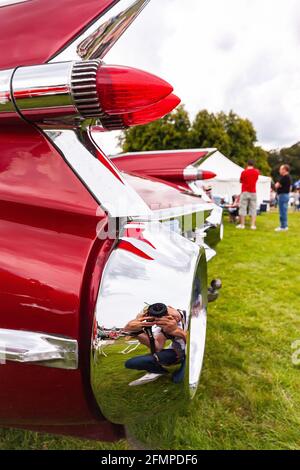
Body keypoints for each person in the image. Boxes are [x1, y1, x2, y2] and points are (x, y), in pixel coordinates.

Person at [123, 306, 186, 386]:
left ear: (171, 307)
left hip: (194, 352)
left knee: (178, 379)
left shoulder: (194, 316)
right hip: (177, 353)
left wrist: (178, 332)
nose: (166, 316)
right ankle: (159, 371)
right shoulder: (163, 327)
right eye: (158, 316)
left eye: (164, 311)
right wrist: (137, 332)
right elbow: (157, 347)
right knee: (132, 362)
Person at [236, 160, 260, 230]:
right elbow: (256, 180)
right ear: (253, 164)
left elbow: (241, 181)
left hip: (245, 191)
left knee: (242, 208)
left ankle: (242, 224)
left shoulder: (244, 172)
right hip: (253, 191)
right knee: (253, 208)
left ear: (247, 164)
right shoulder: (256, 172)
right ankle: (252, 225)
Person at [275, 165, 292, 232]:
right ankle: (285, 226)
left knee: (282, 212)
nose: (279, 170)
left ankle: (283, 227)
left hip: (283, 195)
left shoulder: (284, 177)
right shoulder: (288, 177)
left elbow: (276, 185)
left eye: (280, 169)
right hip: (286, 195)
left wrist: (279, 185)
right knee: (284, 211)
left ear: (284, 170)